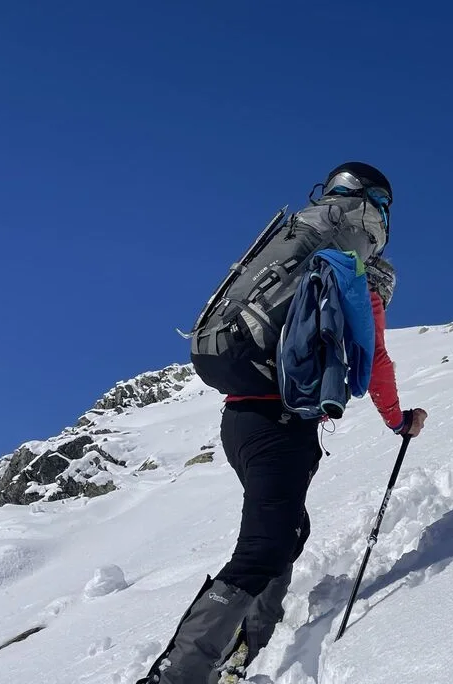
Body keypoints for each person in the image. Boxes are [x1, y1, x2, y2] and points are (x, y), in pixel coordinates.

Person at [138, 162, 427, 684]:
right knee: (265, 547)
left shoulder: (301, 235)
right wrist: (399, 420)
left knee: (287, 532)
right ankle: (181, 674)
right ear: (379, 211)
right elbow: (376, 359)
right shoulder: (357, 268)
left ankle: (238, 648)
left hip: (242, 417)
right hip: (277, 424)